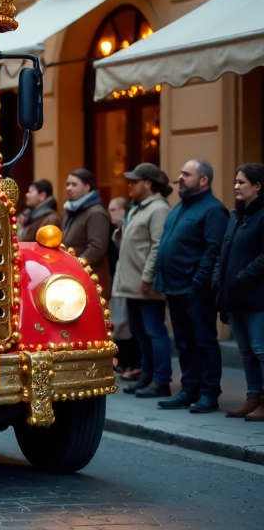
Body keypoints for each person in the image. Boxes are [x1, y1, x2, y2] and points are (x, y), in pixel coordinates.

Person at [155, 159, 229, 413]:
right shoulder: (179, 207)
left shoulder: (213, 210)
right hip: (174, 287)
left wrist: (198, 282)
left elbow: (213, 250)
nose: (181, 177)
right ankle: (189, 389)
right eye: (181, 173)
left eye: (187, 174)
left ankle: (209, 393)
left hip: (196, 290)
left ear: (203, 180)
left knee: (204, 341)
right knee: (184, 342)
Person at [111, 164, 173, 397]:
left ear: (148, 183)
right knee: (140, 331)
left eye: (134, 181)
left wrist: (148, 277)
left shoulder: (158, 209)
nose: (130, 185)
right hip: (132, 283)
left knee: (154, 331)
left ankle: (161, 381)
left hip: (145, 283)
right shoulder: (138, 207)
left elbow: (158, 246)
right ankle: (146, 375)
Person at [214, 163, 264, 420]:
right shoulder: (236, 215)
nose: (235, 186)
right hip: (234, 296)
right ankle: (253, 398)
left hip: (256, 297)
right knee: (246, 352)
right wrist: (219, 279)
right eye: (235, 181)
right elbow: (224, 252)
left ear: (258, 186)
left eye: (241, 182)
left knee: (260, 350)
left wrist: (243, 276)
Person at [62, 169, 112, 297]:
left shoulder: (96, 213)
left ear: (87, 187)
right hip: (73, 277)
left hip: (92, 279)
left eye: (74, 184)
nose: (68, 188)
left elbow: (97, 248)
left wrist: (77, 264)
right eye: (68, 184)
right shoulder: (72, 210)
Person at [106, 195, 138, 379]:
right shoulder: (117, 232)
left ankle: (134, 364)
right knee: (119, 323)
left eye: (114, 210)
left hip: (130, 281)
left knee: (127, 325)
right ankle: (126, 363)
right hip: (120, 281)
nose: (110, 214)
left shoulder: (128, 229)